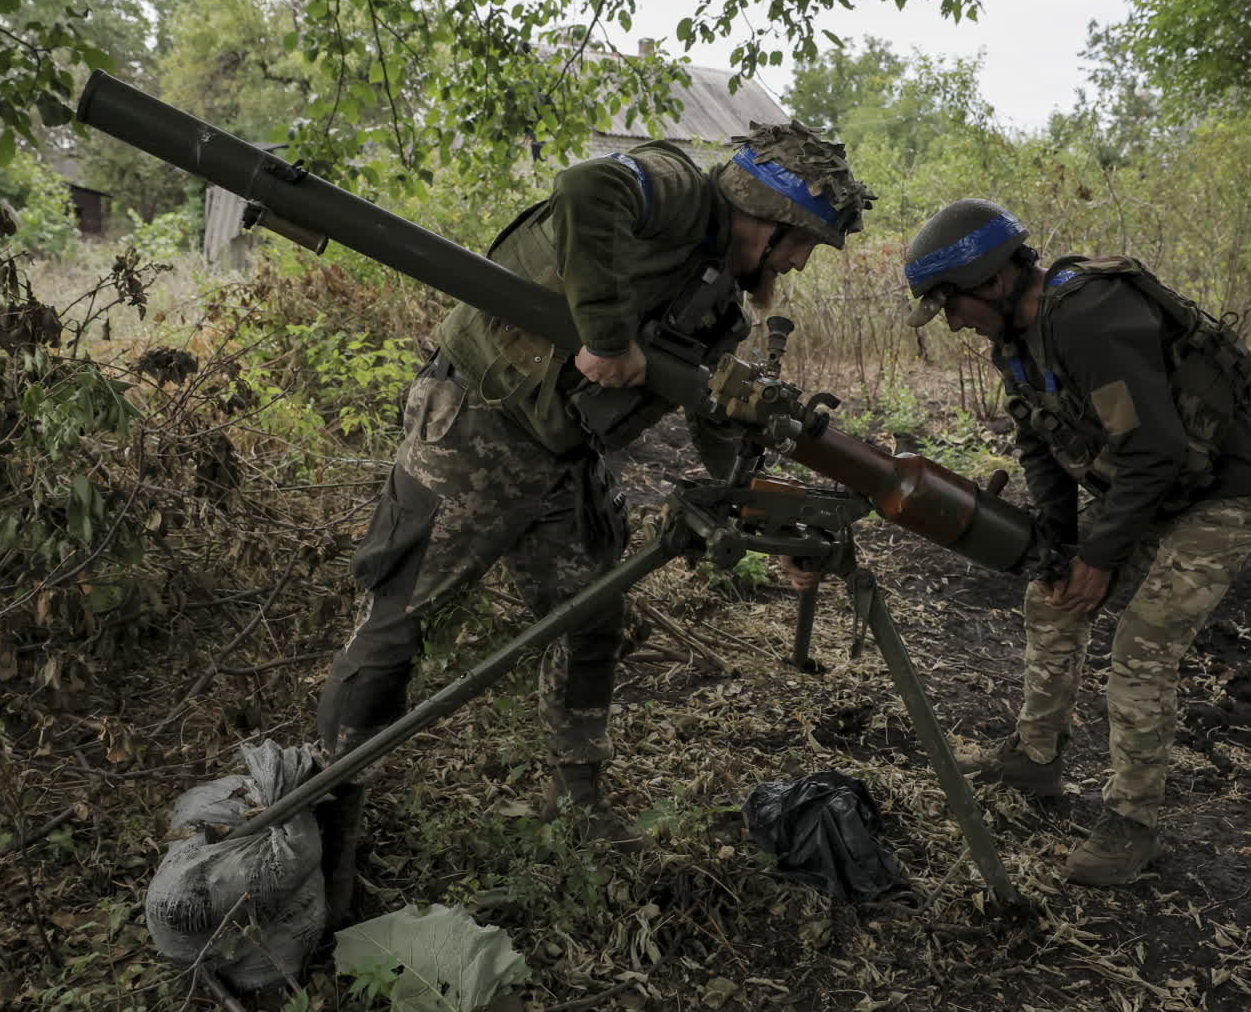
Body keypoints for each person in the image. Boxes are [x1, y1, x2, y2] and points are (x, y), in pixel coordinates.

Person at [314, 123, 873, 917]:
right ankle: (322, 833)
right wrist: (609, 339)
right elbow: (586, 187)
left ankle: (577, 804)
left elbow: (717, 422)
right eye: (800, 243)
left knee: (591, 621)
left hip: (564, 461)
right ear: (764, 211)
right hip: (475, 427)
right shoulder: (676, 190)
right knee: (396, 630)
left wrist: (769, 520)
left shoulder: (720, 305)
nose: (796, 263)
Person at [902, 199, 1251, 886]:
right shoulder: (1015, 342)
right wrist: (1059, 546)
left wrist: (1100, 556)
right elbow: (1040, 446)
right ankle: (1036, 755)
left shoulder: (1088, 318)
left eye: (953, 302)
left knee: (1141, 650)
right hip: (1155, 487)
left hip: (1224, 492)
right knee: (1051, 597)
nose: (955, 320)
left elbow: (1156, 448)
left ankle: (1132, 824)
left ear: (993, 281)